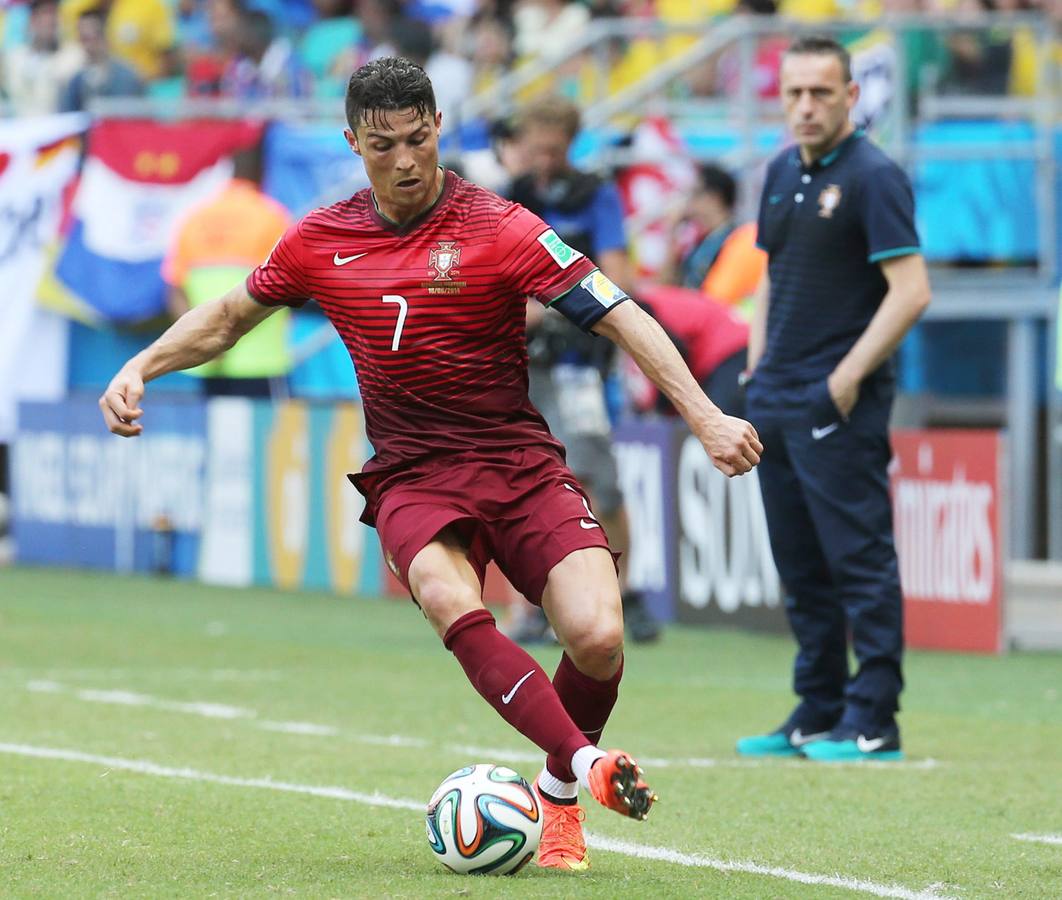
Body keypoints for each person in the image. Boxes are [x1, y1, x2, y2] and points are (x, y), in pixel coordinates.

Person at [99, 57, 761, 871]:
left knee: (596, 634)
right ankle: (587, 767)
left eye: (418, 139)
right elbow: (230, 316)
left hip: (518, 459)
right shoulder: (322, 239)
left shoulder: (504, 227)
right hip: (413, 474)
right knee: (450, 595)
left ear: (440, 126)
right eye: (383, 146)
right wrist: (141, 368)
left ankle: (555, 786)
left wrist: (703, 413)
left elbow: (620, 313)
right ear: (352, 142)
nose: (406, 161)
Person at [737, 36, 931, 763]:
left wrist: (844, 379)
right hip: (777, 396)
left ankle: (874, 716)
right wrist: (758, 368)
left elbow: (912, 292)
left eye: (822, 92)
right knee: (800, 565)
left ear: (852, 96)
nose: (806, 106)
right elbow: (769, 276)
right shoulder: (781, 169)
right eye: (794, 93)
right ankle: (817, 708)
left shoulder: (875, 176)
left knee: (859, 560)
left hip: (834, 403)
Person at [508, 95, 660, 644]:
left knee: (598, 477)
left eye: (552, 150)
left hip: (581, 360)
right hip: (528, 363)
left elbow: (619, 275)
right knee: (531, 482)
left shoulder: (595, 195)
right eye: (535, 149)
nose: (543, 160)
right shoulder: (516, 196)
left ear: (568, 145)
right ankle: (542, 602)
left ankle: (625, 590)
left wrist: (549, 306)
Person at [162, 147, 292, 397]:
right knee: (262, 435)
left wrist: (203, 337)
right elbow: (284, 288)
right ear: (263, 172)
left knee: (215, 432)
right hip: (259, 360)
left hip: (204, 359)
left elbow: (174, 288)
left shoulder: (195, 217)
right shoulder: (271, 217)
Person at [0, 0, 84, 116]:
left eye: (54, 13)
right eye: (44, 13)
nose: (50, 20)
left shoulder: (73, 56)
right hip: (18, 129)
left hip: (57, 129)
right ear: (32, 20)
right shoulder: (13, 58)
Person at [58, 8, 144, 113]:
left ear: (104, 36)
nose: (88, 46)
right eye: (83, 39)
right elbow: (67, 117)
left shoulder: (127, 77)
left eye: (91, 38)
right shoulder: (75, 80)